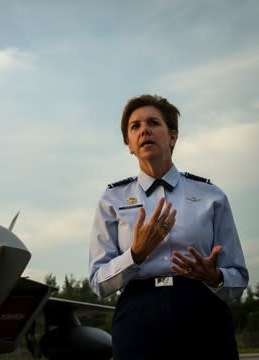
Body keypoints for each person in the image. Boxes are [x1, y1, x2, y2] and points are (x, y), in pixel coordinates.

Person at [89, 94, 249, 360]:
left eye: (153, 123)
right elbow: (98, 282)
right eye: (135, 126)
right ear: (128, 144)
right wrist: (135, 254)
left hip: (203, 311)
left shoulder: (212, 195)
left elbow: (239, 279)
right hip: (138, 316)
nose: (144, 130)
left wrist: (215, 277)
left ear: (173, 136)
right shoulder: (112, 199)